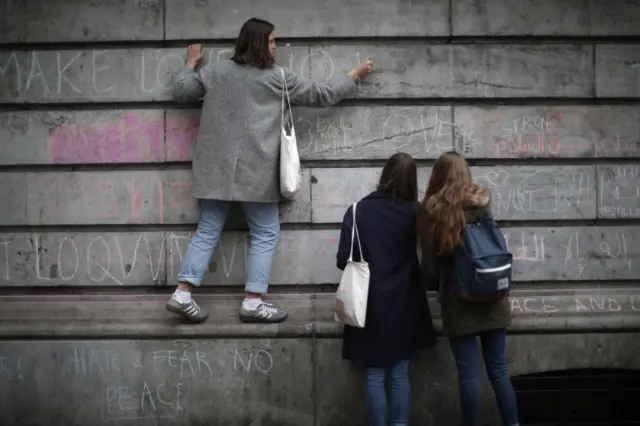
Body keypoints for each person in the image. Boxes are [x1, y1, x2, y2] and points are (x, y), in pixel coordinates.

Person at [166, 17, 375, 324]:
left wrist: (190, 64)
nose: (276, 47)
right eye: (273, 41)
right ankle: (253, 302)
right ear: (260, 43)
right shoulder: (277, 78)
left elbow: (181, 90)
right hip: (256, 172)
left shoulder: (216, 72)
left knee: (209, 228)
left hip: (215, 171)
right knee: (265, 232)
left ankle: (182, 293)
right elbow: (322, 94)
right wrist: (354, 75)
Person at [418, 151, 519, 426]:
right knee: (499, 371)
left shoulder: (432, 209)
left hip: (458, 300)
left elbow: (429, 263)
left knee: (469, 374)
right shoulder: (482, 202)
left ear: (438, 174)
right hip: (493, 295)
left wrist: (432, 284)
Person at [336, 152, 437, 426]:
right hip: (406, 301)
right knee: (401, 372)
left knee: (374, 374)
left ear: (384, 174)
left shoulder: (357, 210)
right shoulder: (416, 211)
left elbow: (342, 259)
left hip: (369, 304)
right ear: (411, 180)